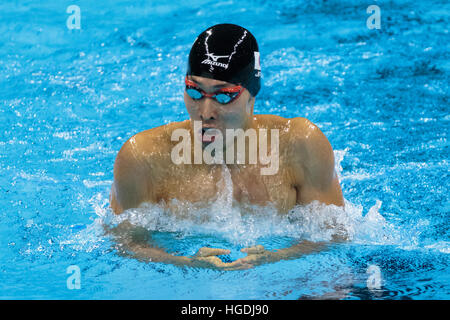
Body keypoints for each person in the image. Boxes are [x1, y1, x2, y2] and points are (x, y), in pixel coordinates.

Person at [109, 23, 345, 270]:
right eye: (195, 92)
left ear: (251, 96)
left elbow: (335, 238)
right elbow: (125, 243)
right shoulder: (144, 157)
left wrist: (276, 259)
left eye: (223, 96)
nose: (206, 112)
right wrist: (184, 263)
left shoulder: (299, 145)